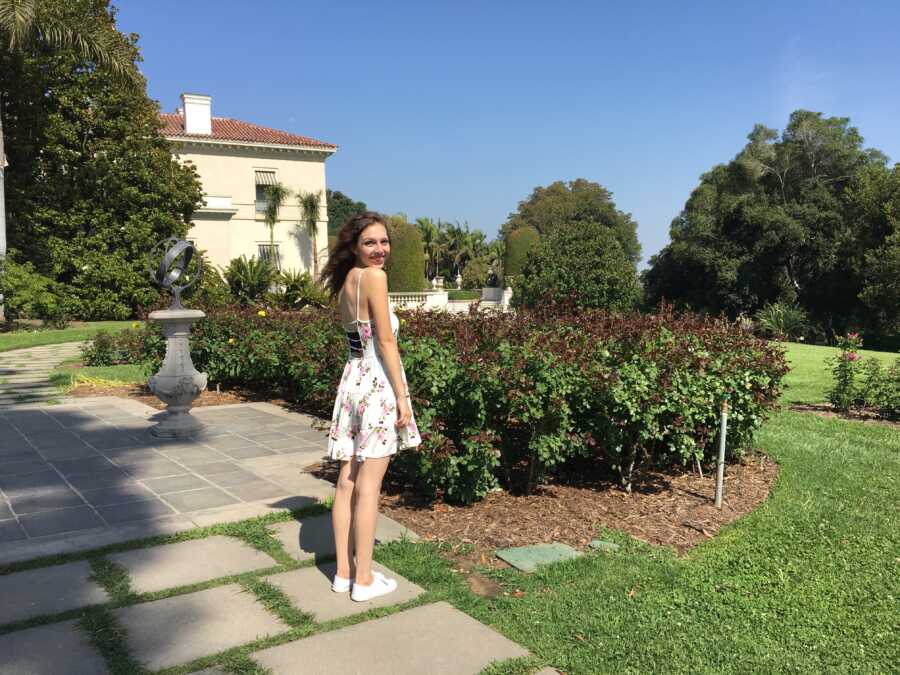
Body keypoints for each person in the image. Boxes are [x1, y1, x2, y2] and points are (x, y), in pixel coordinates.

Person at [319, 211, 422, 602]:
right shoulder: (374, 278)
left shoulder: (348, 280)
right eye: (370, 243)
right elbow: (386, 342)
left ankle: (344, 574)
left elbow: (359, 340)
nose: (380, 250)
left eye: (384, 242)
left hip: (352, 382)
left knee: (348, 477)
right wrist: (401, 395)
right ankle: (363, 580)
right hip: (376, 384)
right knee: (369, 485)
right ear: (355, 247)